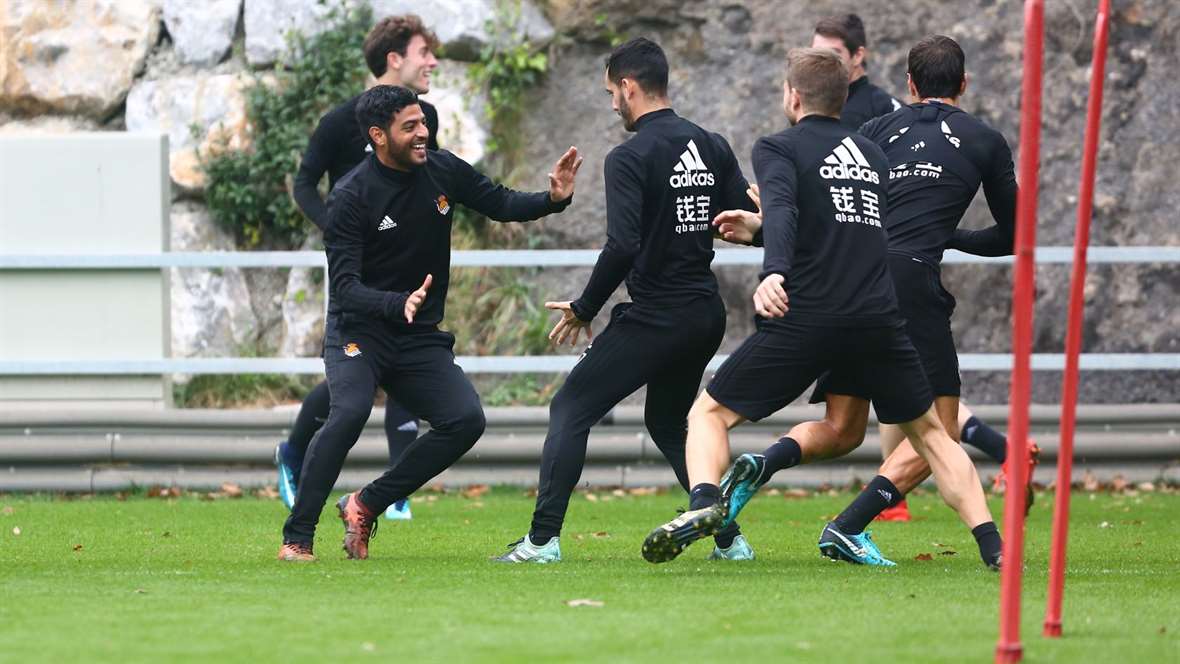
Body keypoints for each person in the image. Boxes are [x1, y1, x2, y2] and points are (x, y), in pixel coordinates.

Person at [640, 47, 1002, 571]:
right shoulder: (873, 155)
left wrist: (773, 269)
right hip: (878, 317)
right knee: (932, 436)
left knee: (708, 414)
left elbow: (785, 210)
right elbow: (843, 228)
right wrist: (761, 228)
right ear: (844, 97)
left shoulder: (778, 147)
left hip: (810, 313)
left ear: (792, 96)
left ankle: (704, 503)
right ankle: (994, 547)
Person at [277, 85, 582, 562]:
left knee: (464, 420)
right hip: (359, 331)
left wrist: (552, 198)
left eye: (422, 122)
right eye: (410, 126)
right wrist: (395, 301)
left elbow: (501, 203)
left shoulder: (443, 169)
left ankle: (365, 504)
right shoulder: (350, 196)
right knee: (350, 411)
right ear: (379, 136)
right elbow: (346, 288)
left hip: (417, 336)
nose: (423, 132)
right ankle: (297, 538)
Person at [493, 38, 759, 564]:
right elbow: (749, 224)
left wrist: (584, 307)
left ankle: (542, 542)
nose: (612, 104)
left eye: (611, 93)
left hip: (659, 315)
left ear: (629, 87)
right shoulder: (712, 144)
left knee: (570, 407)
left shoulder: (629, 157)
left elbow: (623, 246)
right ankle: (729, 541)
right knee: (667, 422)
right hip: (703, 314)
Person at [276, 14, 441, 521]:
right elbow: (304, 183)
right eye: (423, 53)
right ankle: (294, 452)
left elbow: (431, 180)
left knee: (404, 359)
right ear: (394, 59)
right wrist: (339, 229)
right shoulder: (338, 122)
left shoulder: (428, 117)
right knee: (354, 382)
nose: (433, 62)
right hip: (356, 275)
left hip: (407, 269)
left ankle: (395, 489)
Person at [811, 14, 900, 131]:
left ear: (858, 56)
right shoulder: (808, 108)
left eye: (832, 54)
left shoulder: (886, 110)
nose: (821, 62)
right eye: (815, 54)